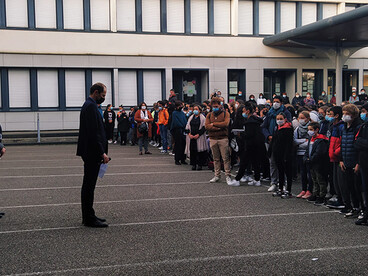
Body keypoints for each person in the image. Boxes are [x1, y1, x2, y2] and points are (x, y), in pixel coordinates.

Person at [76, 82, 110, 228]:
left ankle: (90, 214)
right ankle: (89, 218)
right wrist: (102, 152)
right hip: (92, 152)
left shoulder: (90, 105)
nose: (103, 98)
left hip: (90, 151)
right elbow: (93, 133)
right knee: (89, 186)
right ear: (95, 92)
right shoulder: (90, 106)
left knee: (89, 185)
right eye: (102, 95)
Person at [229, 102, 265, 187]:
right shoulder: (255, 120)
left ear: (248, 111)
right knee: (255, 162)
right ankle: (257, 179)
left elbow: (249, 134)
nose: (243, 112)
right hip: (256, 144)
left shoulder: (250, 122)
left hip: (250, 145)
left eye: (244, 110)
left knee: (244, 162)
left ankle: (237, 179)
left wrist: (240, 134)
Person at [261, 96, 292, 192]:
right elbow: (263, 127)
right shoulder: (270, 113)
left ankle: (283, 182)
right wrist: (268, 136)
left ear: (281, 103)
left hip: (281, 142)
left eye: (277, 102)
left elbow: (289, 125)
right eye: (274, 101)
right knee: (272, 162)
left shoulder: (286, 113)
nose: (275, 103)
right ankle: (274, 182)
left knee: (282, 163)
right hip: (270, 141)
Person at [339, 104, 362, 218]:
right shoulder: (344, 127)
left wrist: (358, 162)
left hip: (355, 160)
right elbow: (342, 144)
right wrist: (341, 159)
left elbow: (358, 147)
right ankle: (354, 207)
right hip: (346, 159)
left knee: (357, 186)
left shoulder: (358, 127)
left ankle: (361, 208)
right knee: (350, 186)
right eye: (344, 114)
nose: (345, 116)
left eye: (347, 114)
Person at [205, 97, 232, 185]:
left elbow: (226, 123)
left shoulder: (226, 113)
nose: (215, 108)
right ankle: (217, 175)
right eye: (213, 106)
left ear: (220, 105)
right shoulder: (209, 115)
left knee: (226, 158)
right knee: (215, 158)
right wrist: (218, 127)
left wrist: (213, 124)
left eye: (216, 106)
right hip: (212, 138)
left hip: (223, 138)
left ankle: (228, 175)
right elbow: (207, 126)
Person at [269, 112, 294, 198]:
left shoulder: (288, 129)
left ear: (285, 119)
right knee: (280, 171)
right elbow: (273, 141)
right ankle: (280, 189)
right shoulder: (278, 128)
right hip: (277, 153)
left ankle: (288, 190)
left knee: (288, 172)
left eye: (281, 119)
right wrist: (270, 151)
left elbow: (289, 144)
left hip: (285, 154)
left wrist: (287, 155)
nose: (279, 121)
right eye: (278, 119)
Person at [304, 122, 329, 205]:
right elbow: (307, 150)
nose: (309, 131)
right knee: (314, 179)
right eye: (309, 130)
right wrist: (306, 158)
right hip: (311, 163)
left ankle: (321, 196)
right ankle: (315, 193)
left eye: (311, 129)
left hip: (319, 163)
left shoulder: (322, 140)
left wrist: (311, 159)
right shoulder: (311, 139)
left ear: (317, 130)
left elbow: (319, 153)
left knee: (320, 180)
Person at [325, 106, 345, 210]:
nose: (328, 116)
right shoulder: (333, 126)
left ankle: (342, 199)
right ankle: (338, 197)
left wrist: (336, 152)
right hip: (333, 156)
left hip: (337, 156)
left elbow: (342, 143)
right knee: (335, 179)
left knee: (340, 180)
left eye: (330, 114)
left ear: (337, 115)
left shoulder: (341, 127)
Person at [294, 111, 313, 199]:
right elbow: (294, 140)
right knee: (302, 172)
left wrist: (304, 142)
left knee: (309, 172)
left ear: (307, 119)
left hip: (308, 152)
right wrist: (303, 141)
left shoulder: (311, 128)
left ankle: (310, 190)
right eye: (299, 118)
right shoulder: (297, 129)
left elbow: (310, 141)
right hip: (299, 153)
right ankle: (303, 189)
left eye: (302, 118)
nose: (300, 120)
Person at [354, 103, 368, 224]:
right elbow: (356, 142)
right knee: (365, 189)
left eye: (364, 111)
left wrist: (361, 142)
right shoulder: (363, 126)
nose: (363, 114)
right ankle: (366, 214)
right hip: (363, 162)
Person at [185, 105, 208, 170]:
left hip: (199, 136)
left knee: (200, 151)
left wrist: (198, 134)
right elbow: (187, 126)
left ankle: (200, 164)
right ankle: (193, 164)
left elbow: (204, 127)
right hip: (191, 136)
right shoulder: (191, 117)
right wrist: (189, 134)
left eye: (197, 109)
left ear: (200, 110)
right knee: (193, 151)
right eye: (194, 109)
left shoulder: (202, 118)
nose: (195, 110)